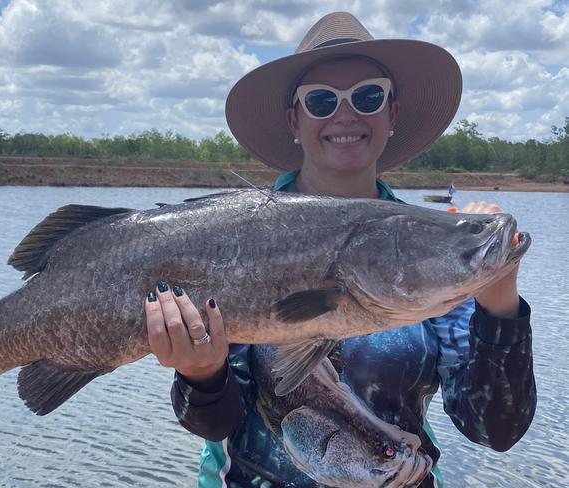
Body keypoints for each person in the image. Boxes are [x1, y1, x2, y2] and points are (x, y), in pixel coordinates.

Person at [144, 12, 536, 488]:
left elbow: (495, 431)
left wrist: (500, 307)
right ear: (295, 119)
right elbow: (216, 425)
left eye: (368, 96)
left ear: (392, 112)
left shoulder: (431, 251)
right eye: (322, 100)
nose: (345, 114)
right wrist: (200, 374)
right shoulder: (239, 235)